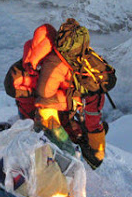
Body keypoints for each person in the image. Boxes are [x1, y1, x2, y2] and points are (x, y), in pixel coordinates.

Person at [35, 18, 107, 170]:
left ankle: (84, 147)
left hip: (60, 105)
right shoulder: (56, 64)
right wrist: (72, 98)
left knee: (73, 127)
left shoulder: (64, 60)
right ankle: (71, 164)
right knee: (64, 144)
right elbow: (44, 95)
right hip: (48, 108)